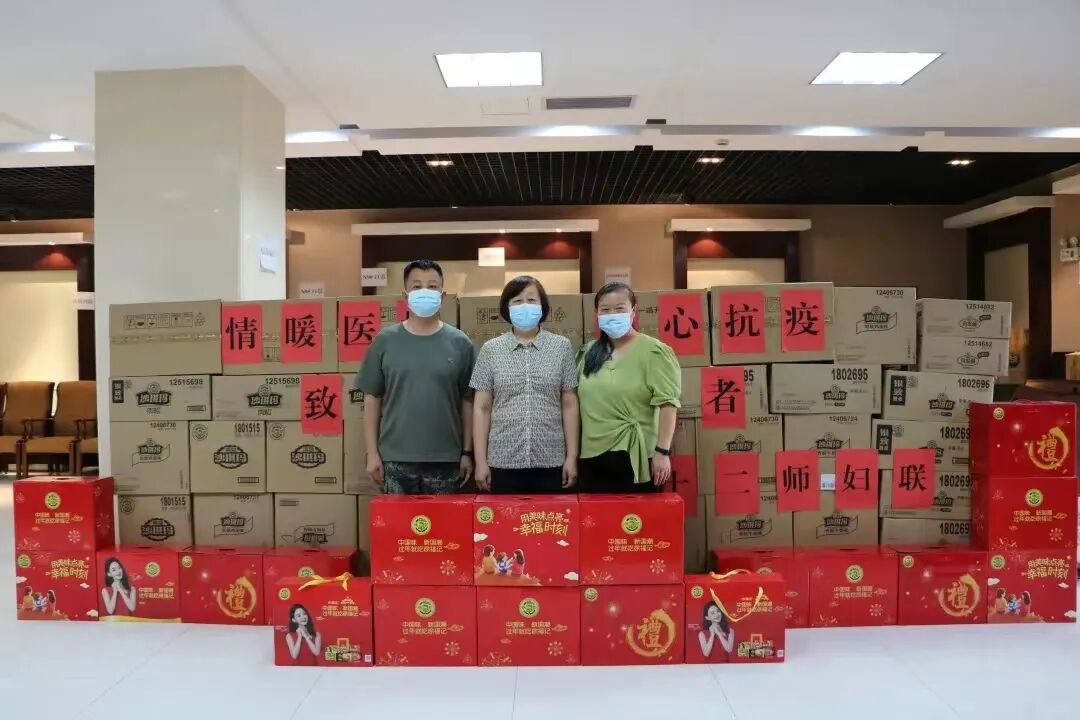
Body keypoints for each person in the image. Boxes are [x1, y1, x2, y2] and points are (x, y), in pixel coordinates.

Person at [357, 259, 476, 494]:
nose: (425, 292)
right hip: (395, 460)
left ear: (442, 295)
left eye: (432, 286)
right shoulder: (385, 341)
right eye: (417, 286)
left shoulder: (460, 343)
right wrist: (372, 453)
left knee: (444, 520)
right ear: (405, 295)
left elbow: (468, 402)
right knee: (398, 520)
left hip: (446, 460)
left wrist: (467, 452)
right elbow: (371, 399)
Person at [471, 275, 579, 494]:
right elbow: (482, 408)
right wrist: (480, 461)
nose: (525, 306)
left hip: (551, 459)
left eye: (531, 300)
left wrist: (571, 456)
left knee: (549, 516)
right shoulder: (491, 349)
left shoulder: (561, 347)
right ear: (507, 307)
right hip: (502, 460)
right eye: (517, 301)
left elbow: (569, 403)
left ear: (542, 306)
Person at [577, 282, 681, 492]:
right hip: (592, 458)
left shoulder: (654, 351)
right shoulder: (588, 352)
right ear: (597, 314)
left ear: (633, 311)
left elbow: (668, 404)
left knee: (637, 514)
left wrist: (663, 452)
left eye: (619, 309)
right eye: (605, 310)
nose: (612, 315)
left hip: (637, 457)